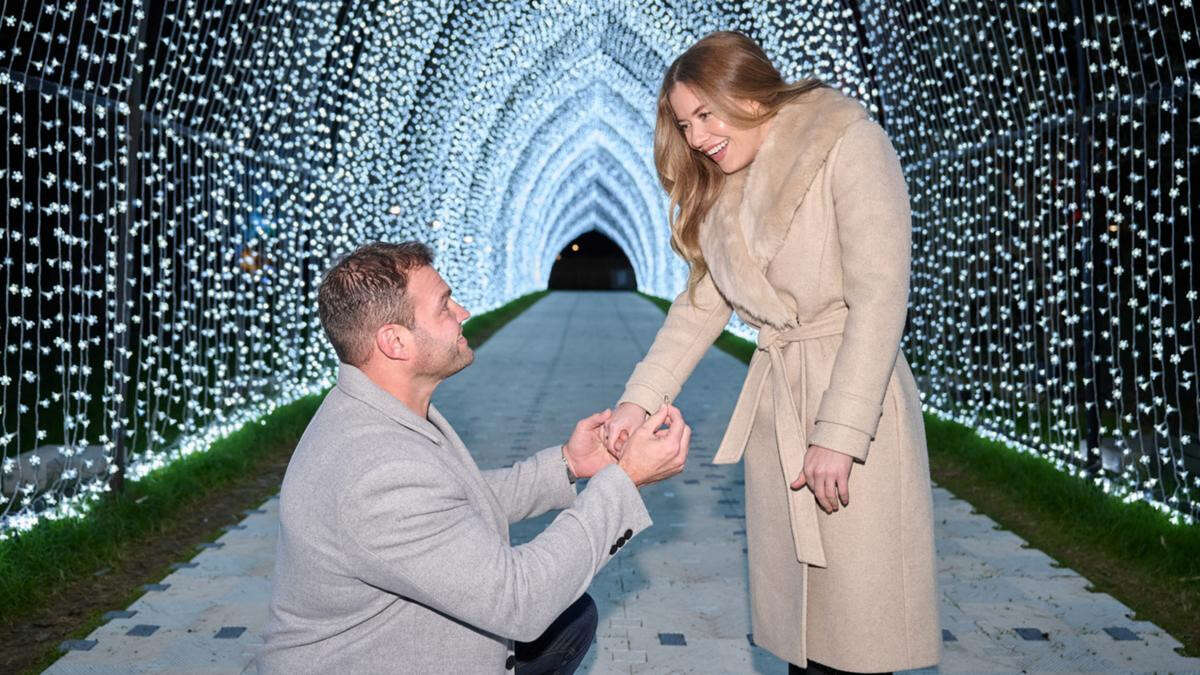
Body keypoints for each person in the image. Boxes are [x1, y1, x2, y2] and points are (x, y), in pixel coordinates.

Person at [603, 32, 940, 674]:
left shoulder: (846, 142)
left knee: (859, 637)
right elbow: (697, 311)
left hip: (855, 400)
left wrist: (840, 433)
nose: (697, 137)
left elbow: (879, 300)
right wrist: (636, 402)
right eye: (683, 123)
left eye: (706, 114)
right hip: (780, 416)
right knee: (803, 638)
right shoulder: (721, 191)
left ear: (749, 92)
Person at [258, 241, 691, 674]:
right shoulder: (377, 470)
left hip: (403, 642)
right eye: (445, 307)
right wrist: (623, 480)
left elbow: (452, 500)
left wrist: (569, 465)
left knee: (572, 618)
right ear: (394, 341)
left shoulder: (376, 409)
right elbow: (522, 601)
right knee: (550, 609)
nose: (463, 312)